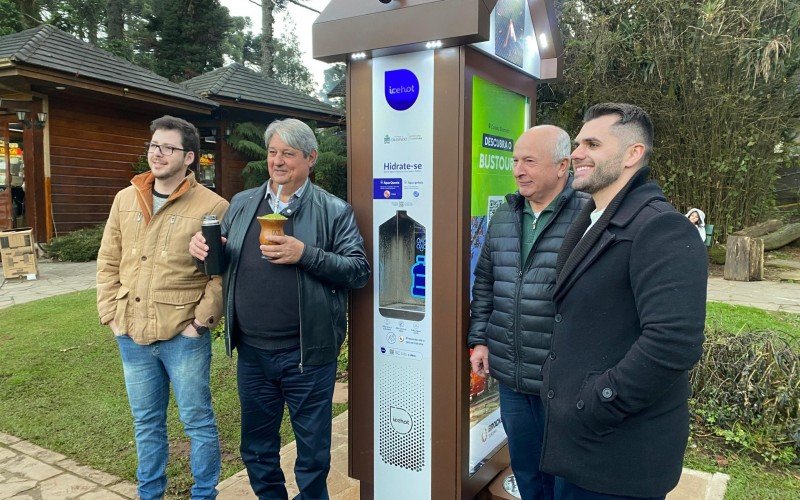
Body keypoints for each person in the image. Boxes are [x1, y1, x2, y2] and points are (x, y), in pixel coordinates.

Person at [189, 118, 370, 500]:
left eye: (288, 153)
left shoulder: (334, 210)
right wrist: (203, 250)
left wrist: (305, 254)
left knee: (312, 454)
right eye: (273, 152)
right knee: (256, 449)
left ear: (310, 158)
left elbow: (358, 271)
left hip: (306, 354)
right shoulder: (241, 203)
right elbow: (221, 259)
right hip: (252, 353)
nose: (278, 161)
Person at [540, 103, 707, 499]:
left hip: (618, 457)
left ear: (633, 154)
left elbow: (672, 344)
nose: (576, 152)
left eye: (592, 143)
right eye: (577, 142)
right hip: (577, 445)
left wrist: (596, 403)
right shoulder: (593, 218)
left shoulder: (661, 228)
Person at [97, 115, 229, 500]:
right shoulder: (126, 198)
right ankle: (149, 494)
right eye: (154, 145)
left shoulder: (214, 206)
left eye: (168, 147)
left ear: (189, 157)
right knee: (146, 423)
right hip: (131, 333)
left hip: (183, 336)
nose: (158, 153)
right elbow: (108, 260)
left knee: (197, 421)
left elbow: (219, 276)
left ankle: (204, 493)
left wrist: (200, 324)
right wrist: (111, 314)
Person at [467, 125, 589, 500]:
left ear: (562, 165)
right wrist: (479, 340)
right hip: (512, 374)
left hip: (563, 377)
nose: (518, 170)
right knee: (526, 468)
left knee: (566, 476)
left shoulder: (588, 214)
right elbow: (485, 281)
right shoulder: (505, 213)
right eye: (515, 160)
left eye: (529, 161)